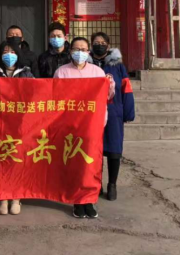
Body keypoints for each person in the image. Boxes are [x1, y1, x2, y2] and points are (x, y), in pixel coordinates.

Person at [55, 37, 115, 220]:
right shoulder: (61, 72)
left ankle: (89, 199)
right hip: (70, 125)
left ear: (88, 52)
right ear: (70, 51)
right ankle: (77, 199)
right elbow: (55, 97)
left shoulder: (97, 72)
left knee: (91, 163)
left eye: (83, 49)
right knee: (74, 163)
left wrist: (109, 83)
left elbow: (107, 96)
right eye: (76, 49)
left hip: (92, 125)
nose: (80, 52)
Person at [0, 40, 34, 215]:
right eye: (5, 52)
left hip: (21, 125)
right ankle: (3, 197)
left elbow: (35, 96)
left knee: (18, 160)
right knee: (2, 160)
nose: (9, 55)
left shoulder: (27, 73)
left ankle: (16, 197)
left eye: (12, 52)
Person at [86, 32, 135, 202]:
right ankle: (96, 183)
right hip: (92, 113)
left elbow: (126, 89)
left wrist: (128, 112)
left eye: (102, 43)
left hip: (114, 111)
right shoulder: (86, 64)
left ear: (108, 45)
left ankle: (112, 184)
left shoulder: (118, 66)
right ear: (91, 45)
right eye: (96, 42)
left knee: (114, 150)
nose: (99, 45)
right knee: (94, 150)